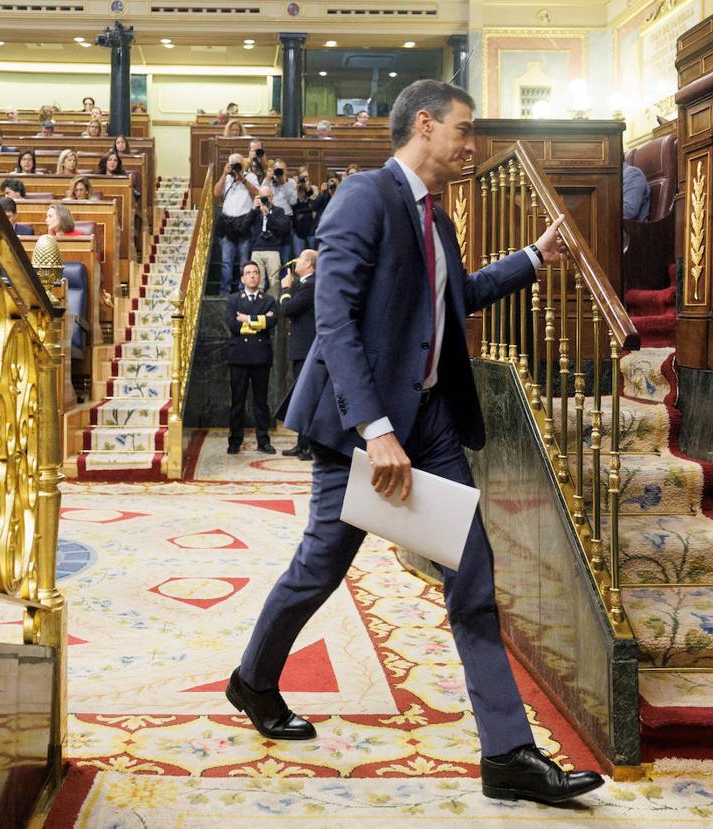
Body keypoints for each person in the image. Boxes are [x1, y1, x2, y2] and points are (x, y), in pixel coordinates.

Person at [225, 79, 601, 807]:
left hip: (425, 425)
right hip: (362, 429)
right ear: (424, 126)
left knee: (473, 576)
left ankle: (509, 753)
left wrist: (532, 256)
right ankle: (253, 680)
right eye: (464, 130)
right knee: (318, 568)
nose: (472, 145)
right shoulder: (366, 196)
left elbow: (455, 296)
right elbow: (332, 319)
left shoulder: (441, 220)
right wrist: (376, 430)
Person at [225, 262, 278, 455]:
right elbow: (233, 325)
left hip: (261, 357)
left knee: (261, 402)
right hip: (238, 357)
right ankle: (234, 441)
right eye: (248, 273)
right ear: (242, 279)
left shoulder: (269, 299)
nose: (252, 276)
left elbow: (272, 322)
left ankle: (263, 441)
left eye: (256, 272)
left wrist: (247, 319)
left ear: (260, 277)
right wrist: (259, 321)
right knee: (237, 401)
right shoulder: (233, 299)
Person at [278, 249, 316, 460]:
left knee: (307, 398)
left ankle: (309, 446)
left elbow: (287, 308)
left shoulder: (310, 285)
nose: (296, 261)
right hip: (302, 348)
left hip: (306, 349)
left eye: (300, 259)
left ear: (309, 264)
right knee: (302, 397)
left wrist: (285, 289)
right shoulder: (306, 284)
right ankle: (302, 443)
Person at [214, 153, 259, 294]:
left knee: (244, 261)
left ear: (243, 164)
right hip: (227, 222)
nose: (236, 167)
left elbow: (257, 192)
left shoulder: (250, 177)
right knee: (226, 261)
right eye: (233, 164)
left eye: (238, 164)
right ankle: (224, 291)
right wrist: (223, 174)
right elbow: (216, 193)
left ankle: (242, 291)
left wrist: (243, 179)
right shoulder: (227, 178)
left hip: (244, 221)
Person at [247, 185, 290, 292]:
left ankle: (274, 307)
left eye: (267, 196)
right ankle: (257, 306)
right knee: (256, 282)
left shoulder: (279, 211)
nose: (266, 199)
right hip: (256, 249)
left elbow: (283, 228)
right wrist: (253, 210)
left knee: (274, 282)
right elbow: (243, 226)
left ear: (272, 197)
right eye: (262, 197)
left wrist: (268, 215)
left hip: (273, 249)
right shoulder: (255, 212)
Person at [263, 160, 297, 269]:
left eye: (281, 170)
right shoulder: (269, 182)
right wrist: (268, 178)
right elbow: (261, 193)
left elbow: (293, 201)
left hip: (286, 219)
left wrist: (284, 183)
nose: (279, 172)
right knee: (272, 255)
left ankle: (284, 283)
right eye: (277, 170)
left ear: (286, 171)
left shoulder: (291, 182)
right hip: (270, 218)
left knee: (285, 256)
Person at [292, 166, 316, 253]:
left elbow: (315, 204)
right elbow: (292, 204)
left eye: (306, 177)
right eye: (302, 177)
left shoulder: (314, 190)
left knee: (313, 255)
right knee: (298, 257)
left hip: (310, 228)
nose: (304, 180)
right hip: (297, 229)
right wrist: (296, 189)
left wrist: (308, 189)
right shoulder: (293, 190)